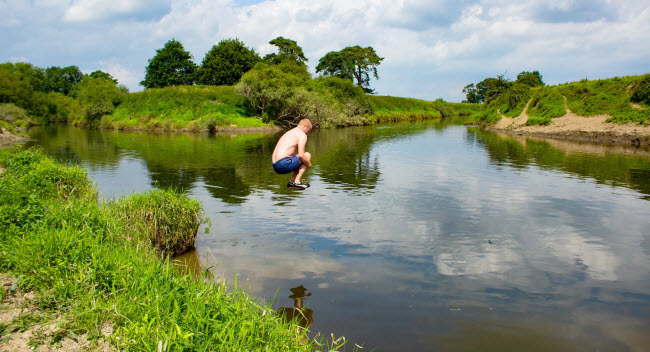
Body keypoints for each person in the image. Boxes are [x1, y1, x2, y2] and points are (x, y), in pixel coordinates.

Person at [272, 119, 313, 189]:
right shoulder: (301, 134)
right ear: (304, 126)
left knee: (298, 159)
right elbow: (301, 155)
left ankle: (291, 182)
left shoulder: (290, 132)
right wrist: (309, 165)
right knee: (307, 155)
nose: (307, 133)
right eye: (308, 131)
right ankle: (297, 182)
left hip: (275, 165)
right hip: (283, 163)